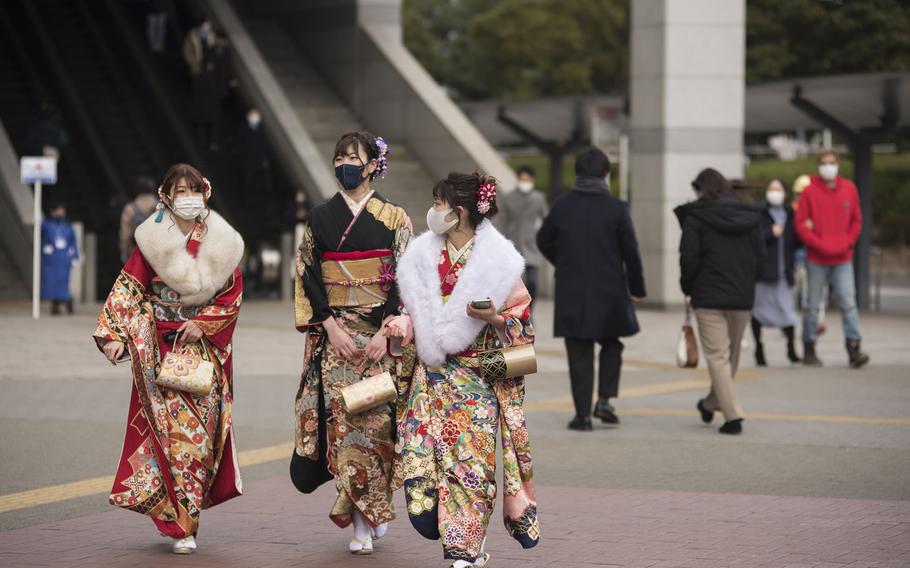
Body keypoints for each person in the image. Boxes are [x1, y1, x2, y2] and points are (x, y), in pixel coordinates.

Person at [389, 171, 539, 568]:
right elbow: (412, 309)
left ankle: (464, 549)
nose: (433, 211)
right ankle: (434, 519)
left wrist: (493, 318)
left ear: (457, 213)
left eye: (438, 204)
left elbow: (522, 323)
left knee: (469, 467)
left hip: (476, 381)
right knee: (420, 457)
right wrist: (402, 324)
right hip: (432, 376)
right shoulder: (423, 255)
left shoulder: (500, 262)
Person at [93, 164, 244, 554]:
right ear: (166, 196)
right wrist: (113, 334)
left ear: (204, 193)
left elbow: (231, 296)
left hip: (202, 350)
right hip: (160, 349)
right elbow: (128, 288)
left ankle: (186, 515)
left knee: (199, 440)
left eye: (193, 189)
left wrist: (205, 322)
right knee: (171, 439)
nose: (187, 197)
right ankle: (182, 524)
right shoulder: (151, 239)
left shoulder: (220, 239)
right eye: (180, 191)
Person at [292, 131, 410, 555]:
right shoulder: (320, 217)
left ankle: (372, 509)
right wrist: (330, 326)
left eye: (352, 156)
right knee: (345, 427)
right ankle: (360, 520)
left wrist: (385, 331)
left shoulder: (395, 218)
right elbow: (307, 272)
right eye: (339, 155)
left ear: (372, 164)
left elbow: (404, 276)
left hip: (380, 339)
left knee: (377, 426)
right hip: (338, 339)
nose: (344, 162)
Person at [537, 148, 645, 431]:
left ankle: (582, 416)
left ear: (578, 173)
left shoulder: (563, 205)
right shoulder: (616, 207)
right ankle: (605, 400)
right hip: (609, 289)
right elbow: (630, 251)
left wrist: (562, 262)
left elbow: (543, 239)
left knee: (578, 351)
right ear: (606, 173)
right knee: (612, 343)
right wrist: (636, 287)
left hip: (572, 290)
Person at [675, 168, 764, 435]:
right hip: (742, 297)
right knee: (729, 357)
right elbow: (760, 257)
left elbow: (689, 258)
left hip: (709, 296)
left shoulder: (696, 218)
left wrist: (688, 287)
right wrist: (749, 281)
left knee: (719, 357)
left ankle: (723, 409)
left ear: (703, 190)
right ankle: (722, 408)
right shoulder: (750, 217)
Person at [795, 150, 869, 368]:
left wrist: (847, 242)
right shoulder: (809, 191)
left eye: (832, 163)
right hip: (816, 259)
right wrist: (818, 244)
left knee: (848, 303)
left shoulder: (849, 189)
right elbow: (800, 223)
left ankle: (854, 348)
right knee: (812, 305)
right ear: (818, 166)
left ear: (838, 165)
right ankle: (809, 348)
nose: (828, 167)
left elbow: (857, 219)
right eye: (824, 163)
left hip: (842, 258)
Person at [751, 179, 802, 366]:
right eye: (771, 189)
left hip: (784, 273)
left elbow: (797, 241)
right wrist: (770, 233)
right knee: (758, 313)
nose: (775, 192)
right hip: (764, 273)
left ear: (785, 193)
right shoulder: (759, 213)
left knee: (787, 312)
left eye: (778, 189)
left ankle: (791, 349)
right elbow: (753, 238)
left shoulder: (791, 214)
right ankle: (759, 349)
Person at [497, 165, 548, 299]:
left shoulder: (539, 198)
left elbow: (546, 219)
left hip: (532, 245)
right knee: (514, 284)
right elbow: (502, 221)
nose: (524, 183)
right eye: (522, 179)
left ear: (532, 180)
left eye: (527, 180)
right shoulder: (508, 197)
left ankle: (529, 310)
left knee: (532, 281)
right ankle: (518, 312)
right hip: (513, 245)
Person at [41, 203, 79, 315]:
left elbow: (73, 242)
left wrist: (75, 256)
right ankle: (55, 306)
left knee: (63, 283)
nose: (60, 212)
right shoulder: (47, 225)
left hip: (64, 259)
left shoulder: (67, 226)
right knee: (52, 283)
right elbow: (42, 236)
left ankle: (67, 302)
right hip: (52, 259)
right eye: (58, 210)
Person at [119, 176, 159, 263]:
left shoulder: (129, 208)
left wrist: (124, 253)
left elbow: (124, 235)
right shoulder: (160, 207)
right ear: (153, 189)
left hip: (136, 254)